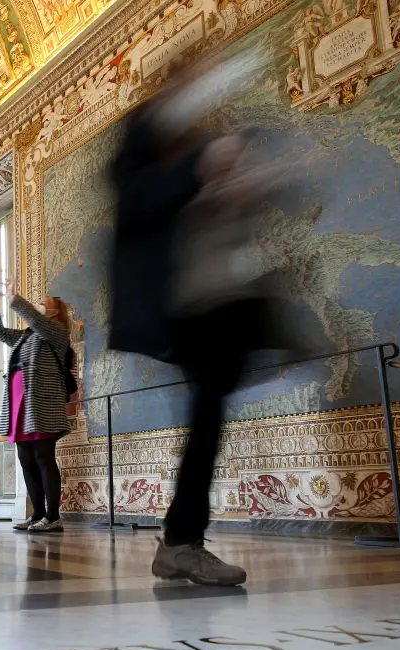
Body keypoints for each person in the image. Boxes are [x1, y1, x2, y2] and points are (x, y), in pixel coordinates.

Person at [107, 58, 282, 586]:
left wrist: (242, 193)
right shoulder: (141, 150)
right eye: (181, 92)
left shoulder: (195, 147)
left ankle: (181, 543)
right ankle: (181, 543)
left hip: (215, 301)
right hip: (184, 309)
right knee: (208, 412)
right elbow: (140, 203)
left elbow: (210, 220)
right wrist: (200, 168)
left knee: (209, 413)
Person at [0, 281, 71, 533]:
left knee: (43, 456)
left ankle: (53, 517)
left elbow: (37, 322)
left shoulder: (56, 331)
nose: (39, 304)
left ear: (54, 312)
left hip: (43, 402)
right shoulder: (25, 335)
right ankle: (38, 514)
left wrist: (14, 298)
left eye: (45, 303)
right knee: (26, 458)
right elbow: (1, 334)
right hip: (20, 403)